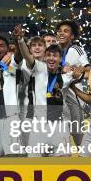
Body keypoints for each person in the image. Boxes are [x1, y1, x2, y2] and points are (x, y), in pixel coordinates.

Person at [15, 26, 74, 156]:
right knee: (34, 163)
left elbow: (84, 72)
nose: (51, 58)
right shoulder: (39, 69)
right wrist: (20, 40)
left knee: (63, 161)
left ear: (60, 59)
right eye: (48, 55)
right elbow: (28, 57)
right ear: (44, 58)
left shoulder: (67, 76)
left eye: (55, 56)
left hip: (59, 125)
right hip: (39, 124)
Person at [55, 20, 90, 147]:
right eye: (59, 31)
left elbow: (88, 68)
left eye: (66, 31)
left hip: (72, 97)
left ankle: (86, 161)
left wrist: (77, 70)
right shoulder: (54, 51)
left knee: (77, 134)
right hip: (58, 97)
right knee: (60, 134)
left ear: (72, 36)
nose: (61, 33)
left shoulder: (76, 49)